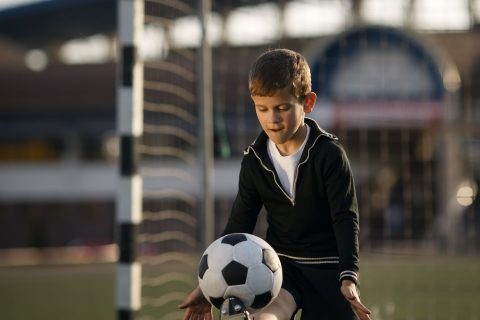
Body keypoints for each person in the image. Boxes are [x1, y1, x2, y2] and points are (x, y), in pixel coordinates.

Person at [179, 48, 372, 320]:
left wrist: (348, 276)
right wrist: (207, 285)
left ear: (307, 103)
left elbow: (346, 217)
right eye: (263, 108)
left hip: (328, 269)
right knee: (268, 315)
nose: (272, 118)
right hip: (277, 267)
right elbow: (239, 222)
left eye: (282, 108)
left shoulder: (329, 154)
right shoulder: (254, 160)